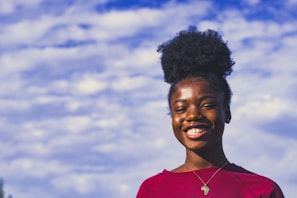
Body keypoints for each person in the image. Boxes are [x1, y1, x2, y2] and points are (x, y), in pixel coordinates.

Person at [136, 26, 284, 198]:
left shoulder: (264, 190)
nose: (192, 116)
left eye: (207, 105)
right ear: (172, 117)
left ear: (226, 112)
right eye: (181, 109)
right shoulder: (153, 190)